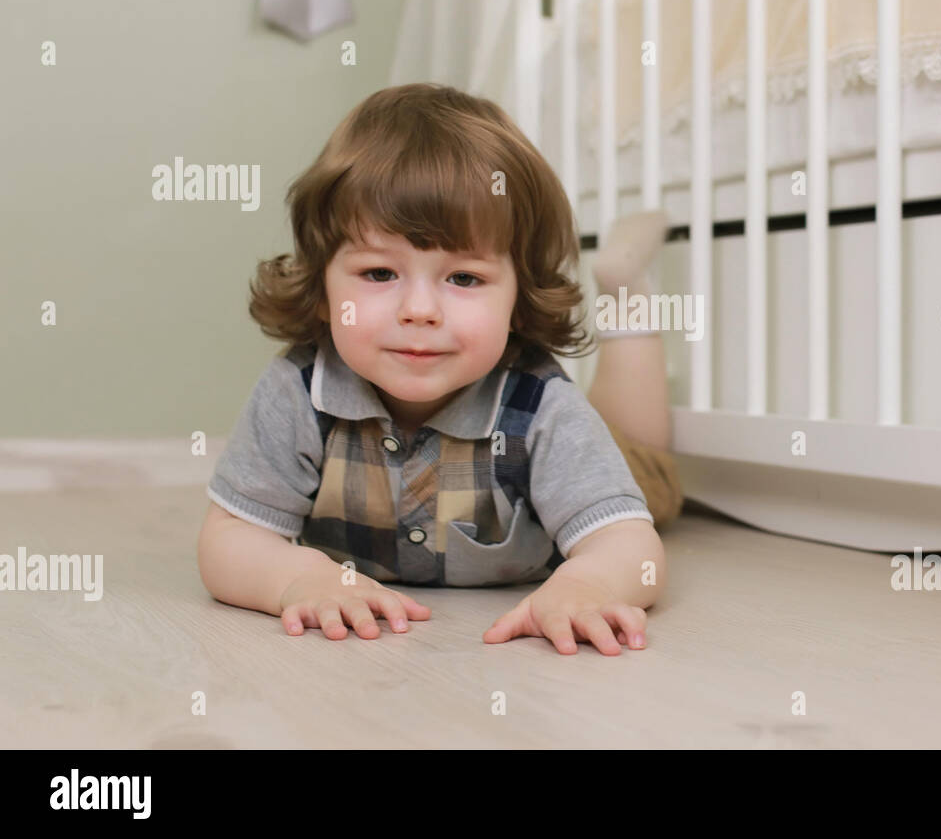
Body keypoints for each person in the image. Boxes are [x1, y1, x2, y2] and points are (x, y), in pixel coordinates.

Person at [198, 83, 682, 656]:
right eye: (379, 274)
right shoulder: (300, 390)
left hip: (591, 463)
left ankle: (624, 287)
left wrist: (588, 582)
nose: (420, 311)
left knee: (648, 467)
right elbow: (229, 539)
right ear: (322, 288)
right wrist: (296, 577)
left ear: (518, 299)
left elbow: (630, 543)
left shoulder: (541, 404)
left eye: (464, 278)